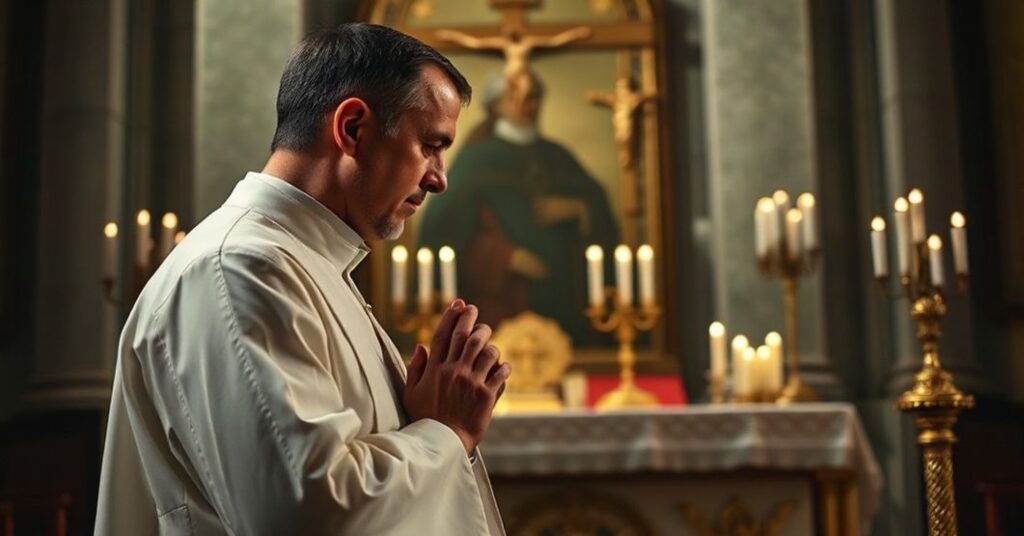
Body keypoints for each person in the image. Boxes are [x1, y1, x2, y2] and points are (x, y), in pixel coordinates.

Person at [95, 23, 510, 535]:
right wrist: (447, 432)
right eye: (430, 145)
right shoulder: (238, 268)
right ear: (352, 128)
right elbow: (302, 512)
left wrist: (421, 423)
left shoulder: (304, 264)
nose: (439, 178)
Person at [418, 70, 620, 346]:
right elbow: (442, 235)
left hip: (562, 301)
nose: (526, 104)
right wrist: (505, 257)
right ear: (496, 105)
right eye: (514, 97)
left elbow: (599, 211)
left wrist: (579, 210)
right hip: (502, 303)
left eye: (533, 97)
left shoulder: (557, 156)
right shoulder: (476, 161)